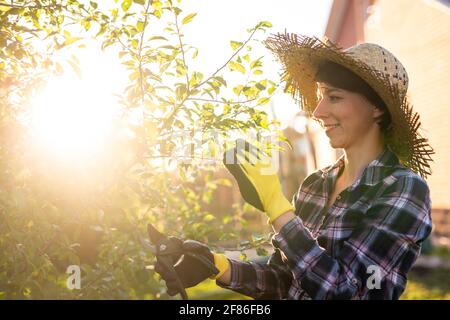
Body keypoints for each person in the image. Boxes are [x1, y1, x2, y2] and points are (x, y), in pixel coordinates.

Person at [154, 33, 434, 300]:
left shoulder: (403, 189)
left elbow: (343, 291)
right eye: (322, 95)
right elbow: (286, 279)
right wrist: (215, 265)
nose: (318, 111)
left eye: (334, 97)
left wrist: (277, 207)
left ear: (377, 108)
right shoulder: (315, 184)